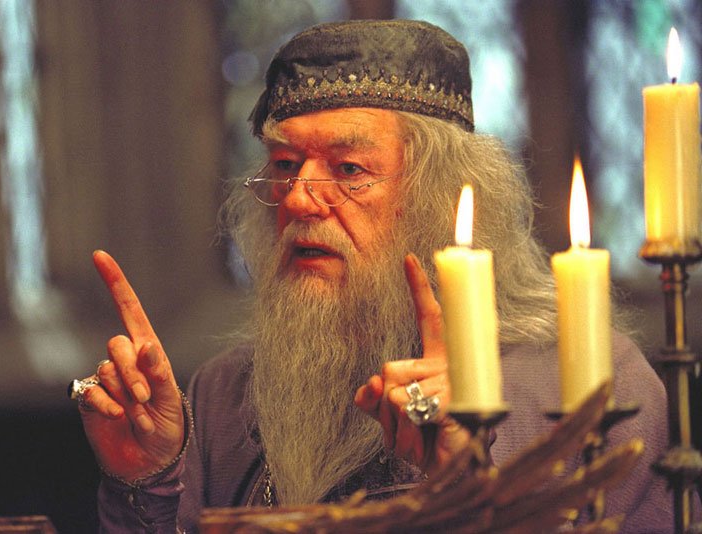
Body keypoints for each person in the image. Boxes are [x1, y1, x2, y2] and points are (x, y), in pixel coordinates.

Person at [70, 19, 672, 533]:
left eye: (349, 169)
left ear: (438, 198)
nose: (298, 198)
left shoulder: (586, 380)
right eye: (286, 165)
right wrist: (148, 482)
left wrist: (467, 488)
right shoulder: (221, 396)